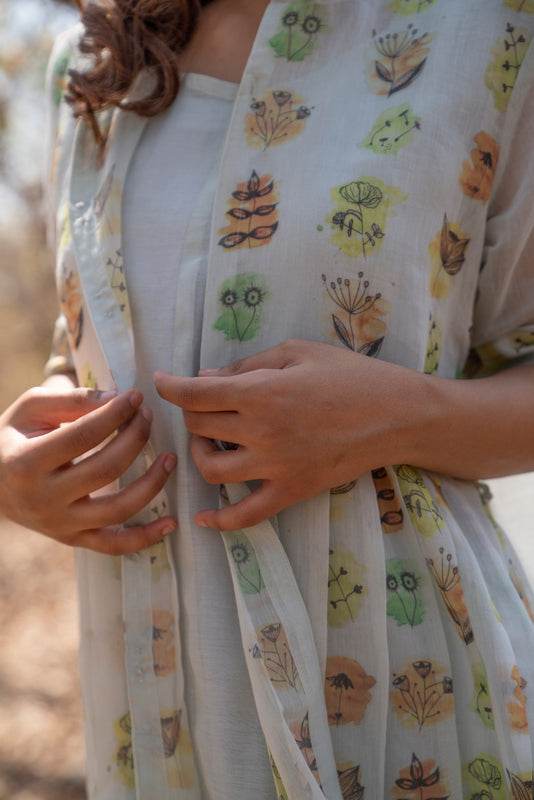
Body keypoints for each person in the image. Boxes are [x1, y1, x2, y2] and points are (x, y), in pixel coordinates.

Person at [1, 0, 534, 796]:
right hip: (161, 722)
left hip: (411, 707)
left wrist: (398, 418)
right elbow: (92, 337)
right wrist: (21, 462)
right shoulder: (98, 58)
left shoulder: (489, 28)